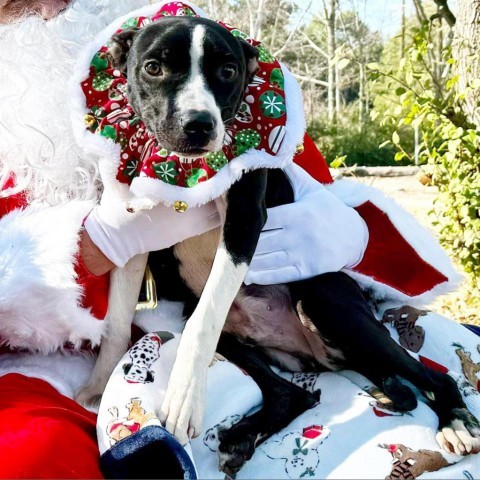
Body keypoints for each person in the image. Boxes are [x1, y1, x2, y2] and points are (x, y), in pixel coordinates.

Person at [0, 1, 477, 478]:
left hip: (219, 322)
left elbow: (305, 181)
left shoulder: (202, 58)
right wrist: (95, 244)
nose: (52, 5)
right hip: (52, 366)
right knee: (33, 458)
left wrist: (354, 232)